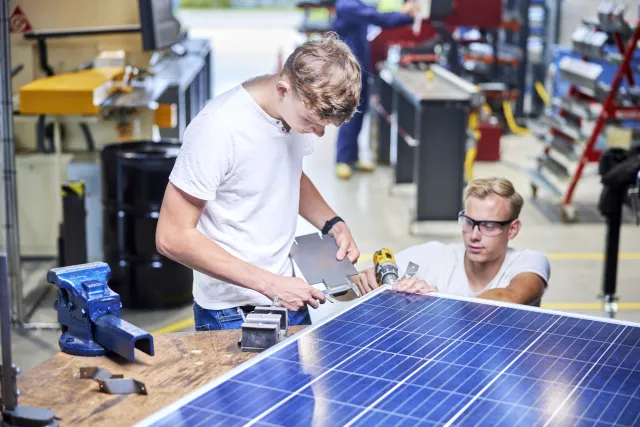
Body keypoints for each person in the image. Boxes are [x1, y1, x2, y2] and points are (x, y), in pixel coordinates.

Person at [156, 34, 363, 331]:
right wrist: (271, 285)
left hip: (288, 293)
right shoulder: (218, 129)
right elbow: (171, 236)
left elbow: (290, 173)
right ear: (283, 89)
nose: (317, 134)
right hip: (231, 311)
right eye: (311, 122)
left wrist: (333, 223)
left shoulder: (294, 115)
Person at [354, 177, 551, 306]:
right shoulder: (434, 255)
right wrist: (370, 281)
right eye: (469, 222)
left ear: (512, 230)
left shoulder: (529, 262)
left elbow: (509, 297)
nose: (474, 235)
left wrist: (436, 304)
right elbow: (354, 283)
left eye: (488, 226)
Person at [332, 0, 417, 179]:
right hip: (349, 69)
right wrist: (406, 15)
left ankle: (352, 158)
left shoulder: (356, 3)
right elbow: (377, 17)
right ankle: (343, 159)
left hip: (361, 66)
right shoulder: (346, 5)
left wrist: (401, 11)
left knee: (360, 113)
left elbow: (375, 10)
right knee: (349, 114)